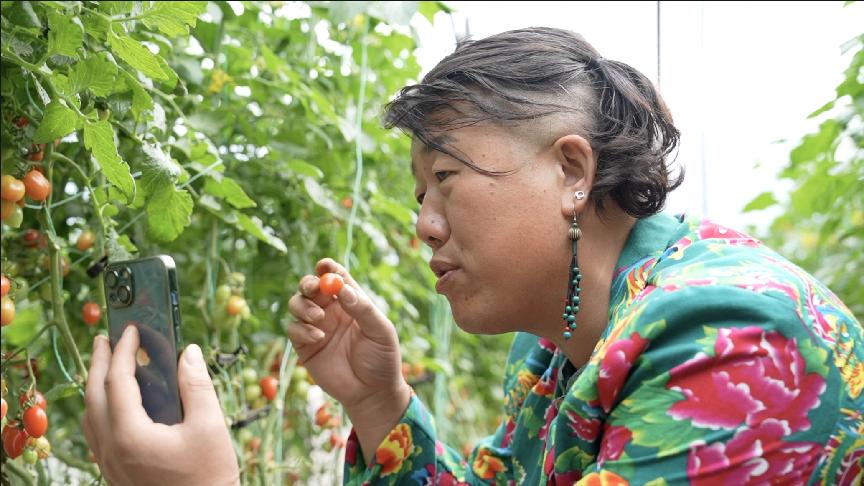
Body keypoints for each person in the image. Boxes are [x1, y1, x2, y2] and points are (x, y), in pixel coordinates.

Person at [82, 27, 863, 485]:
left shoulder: (732, 341)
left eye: (445, 179)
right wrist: (377, 402)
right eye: (420, 193)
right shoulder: (560, 352)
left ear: (570, 171)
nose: (424, 224)